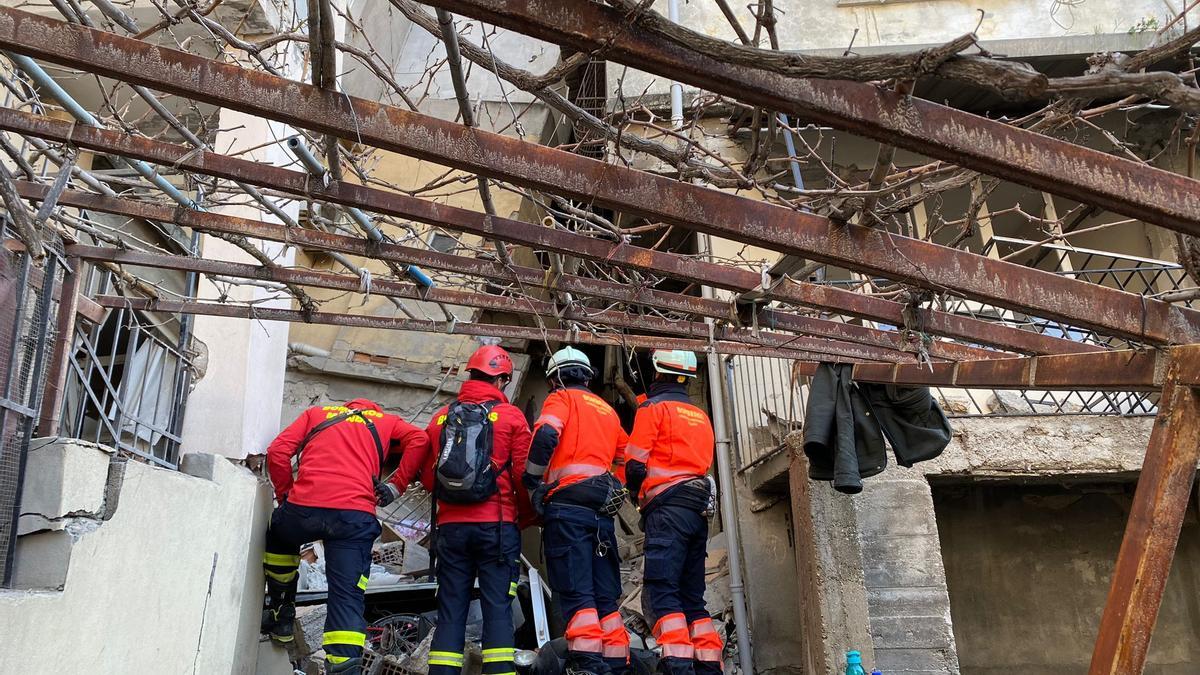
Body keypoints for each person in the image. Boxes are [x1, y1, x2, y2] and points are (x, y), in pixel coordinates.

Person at [261, 398, 430, 675]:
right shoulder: (386, 421)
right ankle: (344, 668)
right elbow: (420, 439)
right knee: (347, 598)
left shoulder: (316, 413)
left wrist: (286, 497)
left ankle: (282, 614)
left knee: (280, 535)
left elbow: (278, 451)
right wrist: (396, 486)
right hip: (353, 518)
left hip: (304, 509)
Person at [403, 345, 534, 675]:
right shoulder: (511, 417)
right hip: (497, 528)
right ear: (502, 379)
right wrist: (525, 516)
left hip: (450, 530)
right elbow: (523, 477)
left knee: (451, 609)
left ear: (471, 375)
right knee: (497, 609)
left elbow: (431, 477)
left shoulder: (441, 417)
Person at [524, 347, 630, 675]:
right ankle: (616, 664)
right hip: (601, 513)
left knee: (576, 590)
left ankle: (587, 666)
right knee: (605, 598)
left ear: (556, 377)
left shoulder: (561, 399)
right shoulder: (607, 411)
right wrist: (615, 486)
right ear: (587, 376)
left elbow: (545, 436)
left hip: (567, 509)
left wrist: (531, 480)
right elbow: (627, 457)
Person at [624, 350, 723, 675]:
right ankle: (710, 668)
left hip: (667, 510)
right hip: (696, 511)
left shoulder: (652, 409)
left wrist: (637, 495)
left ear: (657, 373)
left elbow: (635, 465)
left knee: (664, 591)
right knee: (692, 598)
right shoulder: (701, 416)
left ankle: (678, 667)